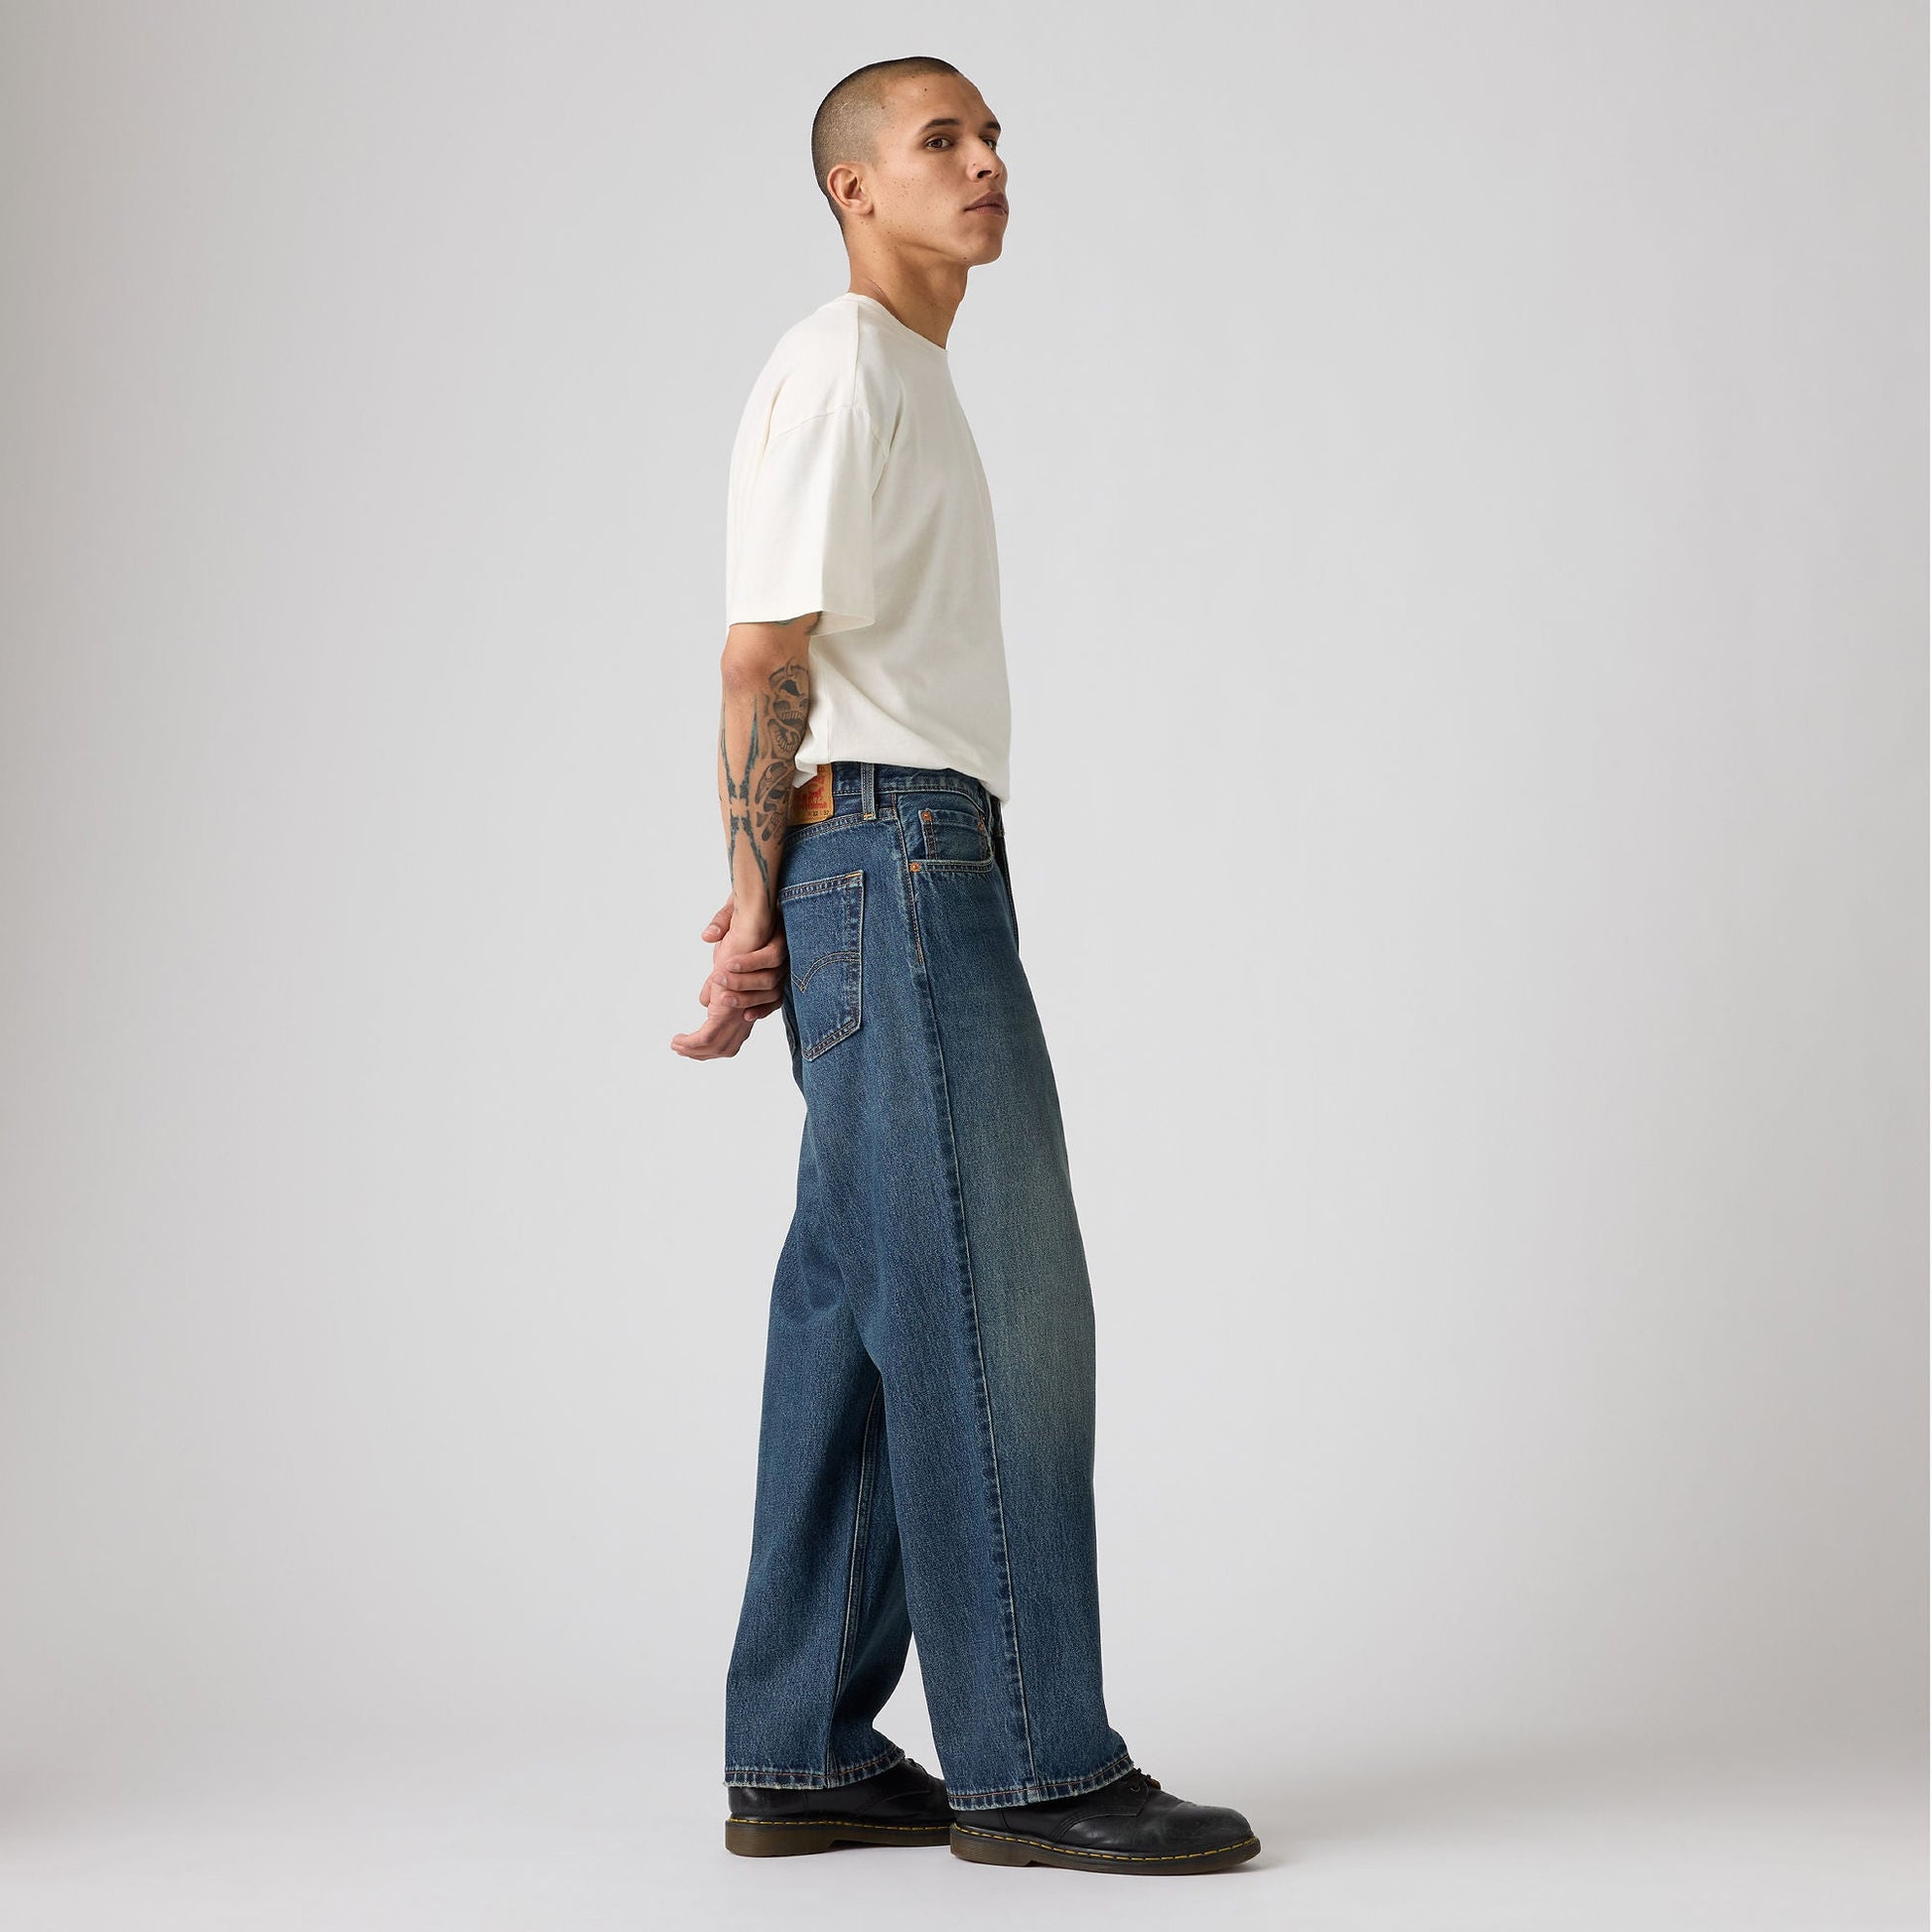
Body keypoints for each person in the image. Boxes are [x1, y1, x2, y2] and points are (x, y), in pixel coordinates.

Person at [670, 55, 1258, 1877]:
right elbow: (761, 655)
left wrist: (783, 891)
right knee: (995, 1303)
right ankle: (1031, 1762)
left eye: (993, 136)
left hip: (891, 857)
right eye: (942, 140)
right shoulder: (845, 362)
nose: (986, 160)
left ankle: (800, 1748)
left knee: (859, 1308)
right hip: (893, 862)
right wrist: (755, 904)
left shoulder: (907, 375)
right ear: (852, 188)